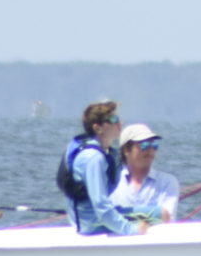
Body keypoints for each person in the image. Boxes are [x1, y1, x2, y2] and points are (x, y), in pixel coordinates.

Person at [57, 100, 142, 235]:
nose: (119, 123)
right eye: (113, 119)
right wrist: (131, 230)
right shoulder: (93, 158)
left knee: (157, 213)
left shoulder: (102, 153)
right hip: (92, 225)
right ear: (98, 128)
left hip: (94, 220)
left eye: (118, 119)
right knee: (158, 215)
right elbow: (101, 205)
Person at [108, 123, 181, 225]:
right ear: (126, 150)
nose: (150, 150)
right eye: (144, 145)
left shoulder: (168, 182)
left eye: (154, 145)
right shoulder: (109, 182)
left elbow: (166, 218)